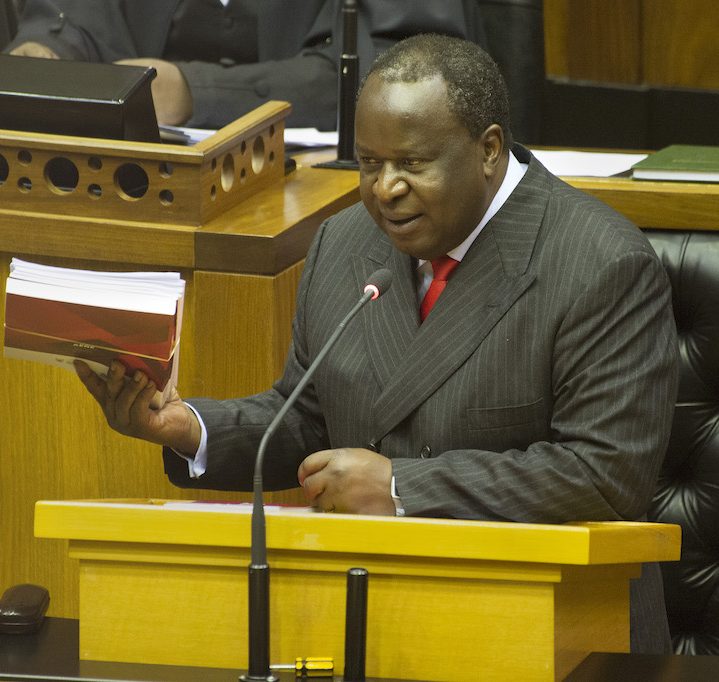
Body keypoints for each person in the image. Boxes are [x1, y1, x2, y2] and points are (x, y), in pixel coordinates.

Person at [75, 34, 680, 653]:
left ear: (489, 150)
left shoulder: (600, 264)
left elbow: (603, 475)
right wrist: (189, 429)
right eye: (369, 163)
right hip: (376, 619)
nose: (385, 189)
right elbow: (309, 420)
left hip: (554, 630)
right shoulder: (345, 241)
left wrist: (401, 488)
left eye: (413, 164)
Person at [4, 0, 486, 129]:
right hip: (133, 181)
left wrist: (193, 93)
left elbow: (400, 74)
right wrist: (48, 51)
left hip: (323, 203)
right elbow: (69, 18)